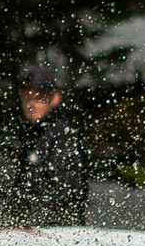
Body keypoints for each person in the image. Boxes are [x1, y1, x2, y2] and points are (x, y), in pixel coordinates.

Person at [9, 52, 87, 226]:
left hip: (58, 231)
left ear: (55, 98)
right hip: (30, 229)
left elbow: (67, 193)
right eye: (27, 97)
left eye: (38, 97)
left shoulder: (63, 135)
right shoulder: (26, 134)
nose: (31, 104)